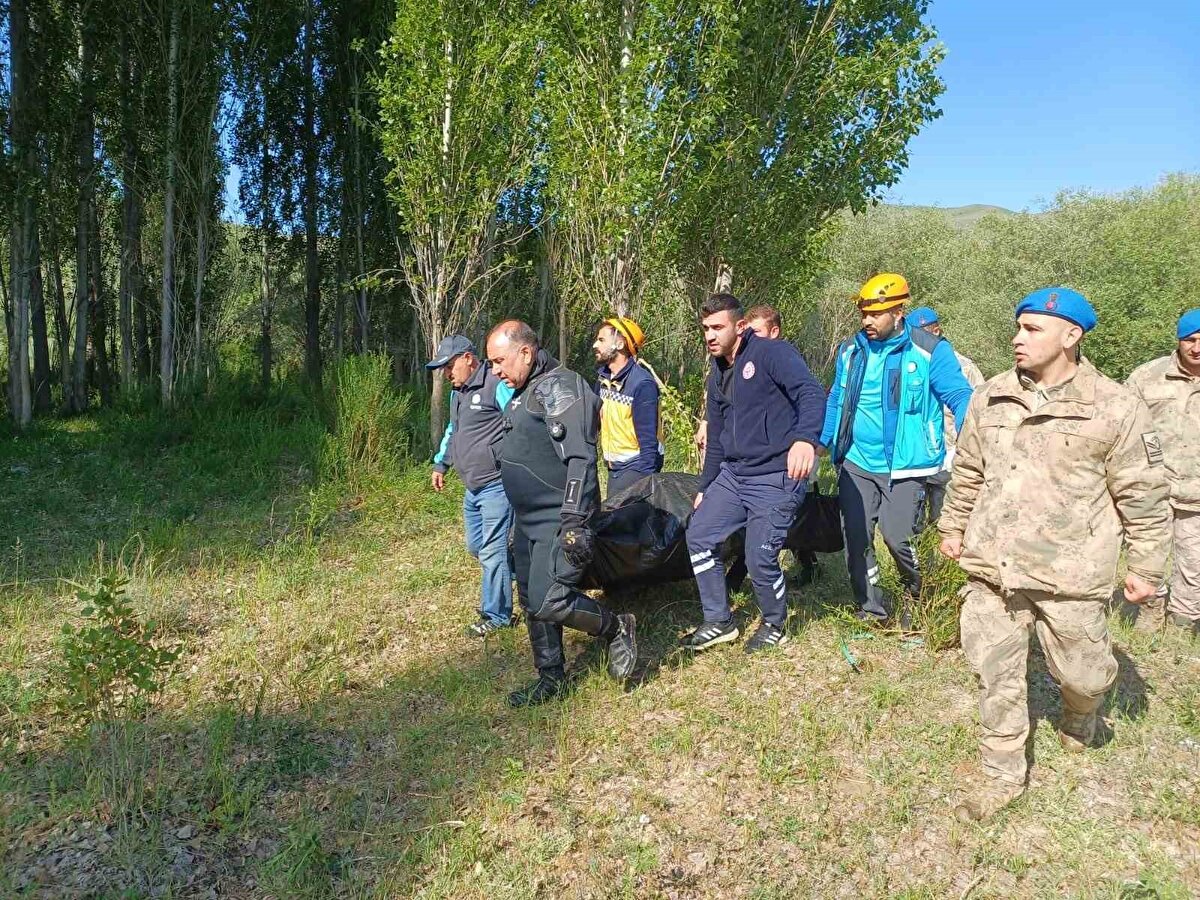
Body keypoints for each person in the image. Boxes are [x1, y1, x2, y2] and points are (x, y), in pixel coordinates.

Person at [939, 287, 1170, 821]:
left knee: (1084, 675)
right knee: (994, 673)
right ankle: (1001, 774)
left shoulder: (1115, 406)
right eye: (1018, 327)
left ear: (1071, 336)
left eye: (1032, 329)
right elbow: (969, 469)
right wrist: (953, 525)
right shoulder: (992, 396)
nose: (1017, 338)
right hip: (994, 566)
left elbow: (1142, 492)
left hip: (1071, 571)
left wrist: (1145, 566)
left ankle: (1080, 713)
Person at [486, 320, 638, 706]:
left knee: (548, 599)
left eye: (499, 361)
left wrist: (573, 519)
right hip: (528, 520)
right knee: (530, 600)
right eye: (491, 363)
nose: (495, 371)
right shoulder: (522, 389)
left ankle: (617, 627)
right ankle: (551, 677)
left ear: (526, 352)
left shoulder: (561, 386)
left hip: (559, 517)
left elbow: (580, 460)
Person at [819, 275, 975, 626]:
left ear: (899, 312)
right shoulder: (851, 350)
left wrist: (971, 434)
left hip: (907, 464)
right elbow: (836, 398)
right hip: (857, 461)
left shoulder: (930, 350)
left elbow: (959, 395)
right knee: (856, 537)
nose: (867, 321)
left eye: (876, 314)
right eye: (863, 314)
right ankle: (870, 607)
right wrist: (821, 442)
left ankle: (914, 594)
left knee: (897, 537)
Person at [682, 294, 826, 653]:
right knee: (699, 534)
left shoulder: (772, 353)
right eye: (705, 329)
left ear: (741, 326)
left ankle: (775, 624)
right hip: (734, 475)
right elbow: (717, 435)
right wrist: (706, 485)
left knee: (759, 554)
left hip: (776, 474)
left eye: (718, 327)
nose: (710, 336)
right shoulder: (717, 372)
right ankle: (719, 621)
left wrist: (805, 439)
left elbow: (811, 393)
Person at [428, 335, 516, 637]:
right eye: (443, 369)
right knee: (476, 546)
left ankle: (497, 615)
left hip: (496, 484)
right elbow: (454, 430)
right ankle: (519, 575)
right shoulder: (458, 392)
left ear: (468, 358)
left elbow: (519, 419)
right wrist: (441, 463)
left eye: (449, 366)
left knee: (492, 551)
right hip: (472, 486)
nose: (447, 374)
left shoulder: (496, 384)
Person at [1126, 307, 1200, 634]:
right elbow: (1129, 424)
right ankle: (1150, 610)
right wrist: (1154, 461)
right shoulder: (1148, 376)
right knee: (1148, 554)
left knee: (1194, 562)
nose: (1197, 347)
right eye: (1190, 339)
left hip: (1197, 492)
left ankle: (1184, 620)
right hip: (1154, 485)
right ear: (1179, 341)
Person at [907, 306, 986, 523]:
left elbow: (978, 410)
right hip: (916, 455)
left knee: (943, 519)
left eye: (926, 333)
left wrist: (968, 447)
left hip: (950, 454)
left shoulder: (964, 367)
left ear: (937, 331)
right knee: (911, 521)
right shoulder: (909, 363)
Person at [694, 305, 781, 452]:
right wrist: (706, 422)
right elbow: (726, 403)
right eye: (747, 332)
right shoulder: (730, 364)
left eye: (755, 332)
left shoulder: (784, 362)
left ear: (774, 332)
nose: (749, 337)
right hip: (739, 458)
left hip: (782, 456)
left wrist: (809, 441)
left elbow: (809, 397)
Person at [592, 317, 664, 496]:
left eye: (601, 340)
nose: (595, 345)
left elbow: (648, 442)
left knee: (619, 513)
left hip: (636, 468)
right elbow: (594, 423)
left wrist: (645, 485)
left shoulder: (642, 384)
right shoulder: (603, 380)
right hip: (614, 468)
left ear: (620, 343)